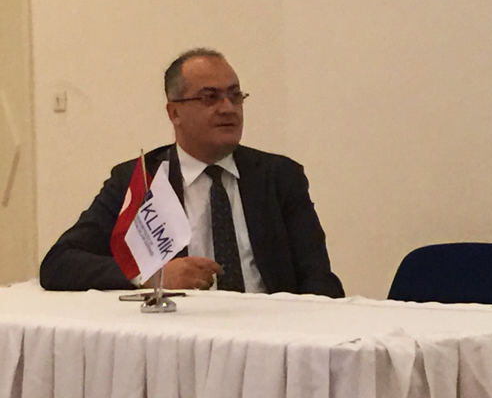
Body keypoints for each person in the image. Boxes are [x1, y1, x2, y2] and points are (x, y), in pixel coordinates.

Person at [39, 48, 345, 298]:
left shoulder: (279, 177)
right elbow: (60, 263)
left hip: (270, 333)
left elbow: (319, 280)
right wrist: (151, 275)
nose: (228, 108)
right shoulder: (142, 178)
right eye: (210, 97)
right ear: (174, 113)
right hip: (180, 336)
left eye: (235, 95)